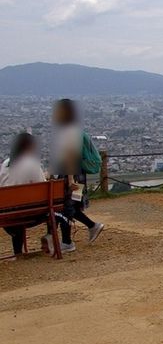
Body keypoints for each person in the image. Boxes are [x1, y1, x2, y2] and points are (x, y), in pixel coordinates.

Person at [52, 99, 103, 252]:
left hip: (71, 175)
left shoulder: (67, 132)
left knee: (65, 207)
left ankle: (68, 241)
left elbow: (70, 157)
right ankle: (92, 226)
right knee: (72, 205)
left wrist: (69, 179)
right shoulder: (76, 130)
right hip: (79, 175)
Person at [0, 132, 55, 256]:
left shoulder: (5, 163)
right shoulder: (32, 163)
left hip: (6, 215)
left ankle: (18, 253)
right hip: (30, 214)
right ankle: (50, 235)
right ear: (29, 147)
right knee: (56, 212)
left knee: (17, 210)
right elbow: (42, 186)